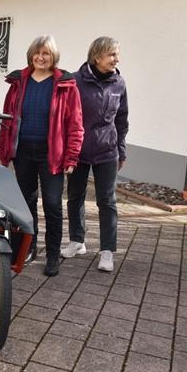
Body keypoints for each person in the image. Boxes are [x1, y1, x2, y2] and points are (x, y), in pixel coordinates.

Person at [0, 35, 83, 275]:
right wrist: (4, 151)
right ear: (31, 54)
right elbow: (7, 120)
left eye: (46, 53)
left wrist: (72, 157)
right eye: (37, 52)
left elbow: (75, 124)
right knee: (26, 202)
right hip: (23, 152)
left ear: (53, 56)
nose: (41, 57)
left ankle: (53, 254)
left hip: (51, 155)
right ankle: (29, 246)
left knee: (53, 204)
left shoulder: (66, 85)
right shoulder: (18, 82)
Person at [63, 37, 128, 272]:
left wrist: (121, 149)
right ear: (97, 56)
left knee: (107, 201)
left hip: (107, 151)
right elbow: (65, 117)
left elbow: (122, 120)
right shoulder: (75, 81)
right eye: (112, 55)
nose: (117, 59)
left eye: (117, 55)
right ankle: (77, 241)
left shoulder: (119, 83)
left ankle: (107, 250)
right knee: (75, 196)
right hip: (79, 151)